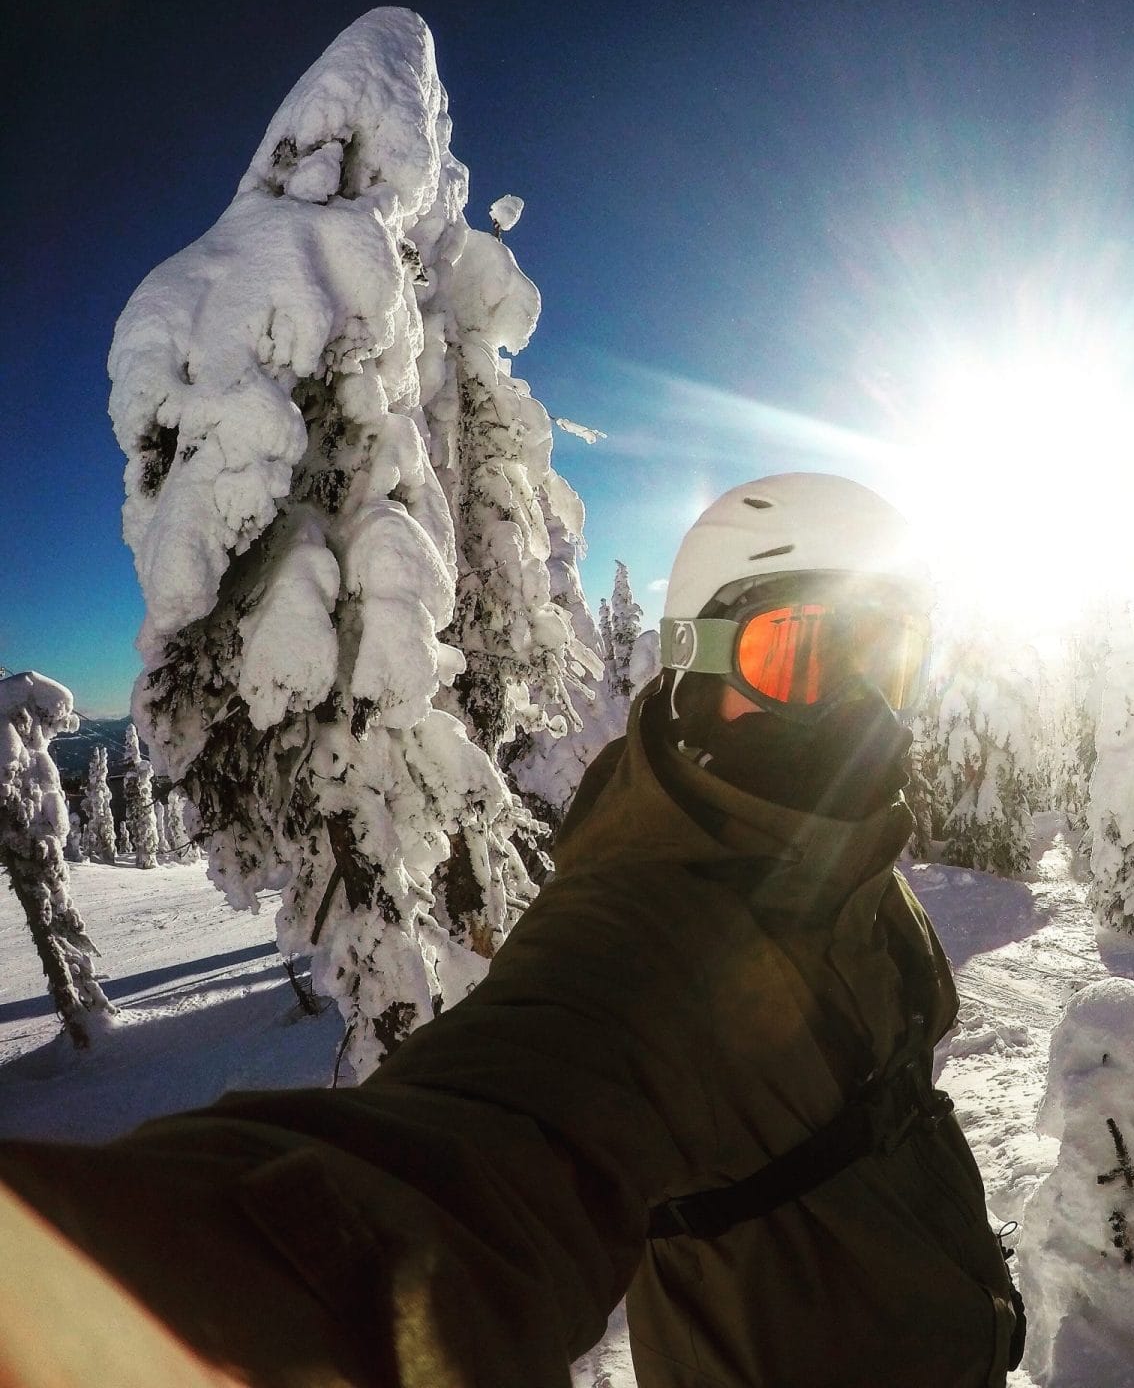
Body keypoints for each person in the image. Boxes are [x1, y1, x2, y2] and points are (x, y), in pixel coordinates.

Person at [0, 473, 1023, 1388]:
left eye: (886, 660)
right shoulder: (650, 931)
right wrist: (98, 1304)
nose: (853, 705)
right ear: (698, 665)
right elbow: (474, 1149)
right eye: (798, 654)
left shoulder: (829, 849)